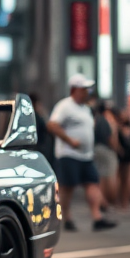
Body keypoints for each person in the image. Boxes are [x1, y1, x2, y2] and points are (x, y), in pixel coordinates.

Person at [47, 74, 116, 232]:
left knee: (92, 183)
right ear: (75, 90)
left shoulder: (85, 108)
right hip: (68, 154)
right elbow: (52, 125)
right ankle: (66, 217)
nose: (87, 92)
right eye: (84, 89)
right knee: (68, 187)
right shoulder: (65, 106)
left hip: (86, 155)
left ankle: (97, 217)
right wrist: (69, 140)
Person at [92, 99, 120, 208]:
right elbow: (110, 137)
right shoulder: (106, 119)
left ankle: (101, 200)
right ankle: (106, 201)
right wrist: (116, 149)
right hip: (106, 149)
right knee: (108, 177)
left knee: (100, 176)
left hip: (97, 148)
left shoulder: (96, 119)